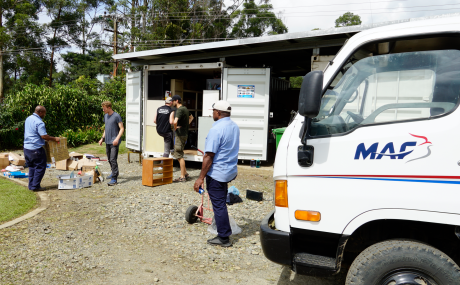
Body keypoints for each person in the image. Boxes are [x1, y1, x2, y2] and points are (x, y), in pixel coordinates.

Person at [193, 101, 240, 247]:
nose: (212, 113)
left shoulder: (216, 129)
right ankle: (223, 230)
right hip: (229, 170)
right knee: (220, 201)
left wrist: (200, 178)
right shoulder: (234, 126)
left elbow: (208, 156)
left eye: (213, 111)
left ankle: (223, 237)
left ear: (218, 113)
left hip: (218, 173)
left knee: (218, 205)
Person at [23, 106, 61, 191]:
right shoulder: (39, 122)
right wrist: (55, 139)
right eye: (44, 113)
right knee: (40, 167)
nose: (45, 114)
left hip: (26, 148)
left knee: (32, 167)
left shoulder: (28, 118)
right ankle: (35, 186)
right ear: (40, 112)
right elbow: (43, 136)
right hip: (36, 148)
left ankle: (31, 186)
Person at [98, 101, 124, 186]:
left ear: (109, 107)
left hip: (114, 142)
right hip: (107, 141)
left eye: (104, 108)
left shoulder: (116, 116)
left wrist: (117, 139)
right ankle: (114, 172)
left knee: (113, 159)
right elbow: (106, 128)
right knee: (109, 159)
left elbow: (122, 128)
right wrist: (102, 138)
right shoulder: (105, 116)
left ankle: (114, 179)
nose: (103, 110)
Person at [171, 95, 193, 182]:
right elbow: (191, 117)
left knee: (179, 155)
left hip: (180, 135)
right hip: (184, 134)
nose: (172, 102)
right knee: (179, 154)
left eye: (172, 101)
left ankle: (182, 176)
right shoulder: (185, 109)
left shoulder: (179, 110)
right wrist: (186, 125)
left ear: (176, 101)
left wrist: (175, 127)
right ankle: (186, 173)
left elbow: (175, 121)